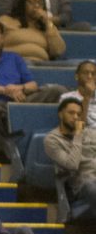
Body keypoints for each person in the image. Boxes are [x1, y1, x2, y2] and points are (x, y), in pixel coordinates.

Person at [0, 18, 62, 163]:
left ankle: (54, 141)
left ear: (2, 37)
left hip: (21, 100)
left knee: (57, 90)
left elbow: (32, 84)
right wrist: (5, 90)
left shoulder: (14, 58)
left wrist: (20, 88)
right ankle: (7, 148)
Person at [44, 92, 96, 226]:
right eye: (71, 113)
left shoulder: (91, 134)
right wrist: (77, 135)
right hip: (81, 183)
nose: (75, 117)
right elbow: (72, 165)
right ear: (61, 114)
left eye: (79, 114)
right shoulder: (52, 140)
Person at [0, 0, 67, 62]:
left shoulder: (48, 28)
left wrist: (47, 22)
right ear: (23, 4)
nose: (36, 6)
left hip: (40, 66)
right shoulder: (6, 20)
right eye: (32, 2)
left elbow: (58, 51)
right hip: (13, 62)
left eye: (40, 3)